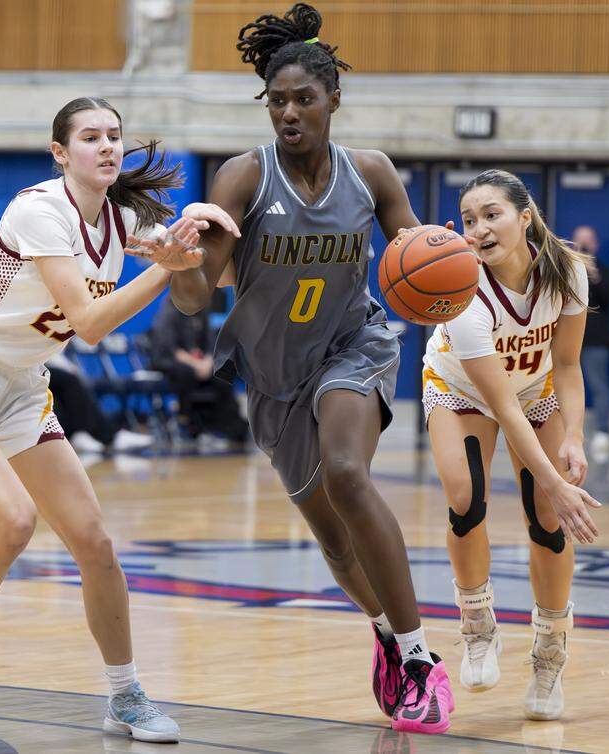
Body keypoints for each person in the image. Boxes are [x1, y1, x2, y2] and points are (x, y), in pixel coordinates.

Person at [162, 3, 454, 734]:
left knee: (348, 472)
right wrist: (179, 265)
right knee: (329, 534)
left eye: (303, 99)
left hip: (353, 345)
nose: (289, 113)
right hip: (272, 375)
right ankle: (387, 633)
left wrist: (449, 264)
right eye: (277, 101)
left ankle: (420, 659)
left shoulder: (373, 173)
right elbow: (198, 300)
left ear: (333, 100)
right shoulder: (241, 179)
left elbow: (416, 262)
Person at [0, 96, 199, 743]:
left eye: (114, 135)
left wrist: (197, 230)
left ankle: (125, 697)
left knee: (94, 542)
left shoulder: (118, 219)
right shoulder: (39, 210)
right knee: (12, 519)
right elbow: (91, 326)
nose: (108, 146)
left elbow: (170, 254)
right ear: (61, 153)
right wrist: (165, 271)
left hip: (19, 385)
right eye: (90, 136)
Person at [421, 170, 601, 720]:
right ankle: (477, 621)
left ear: (526, 217)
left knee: (549, 518)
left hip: (535, 388)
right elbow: (498, 406)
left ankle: (550, 650)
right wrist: (556, 479)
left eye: (491, 214)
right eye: (469, 219)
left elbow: (567, 365)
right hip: (461, 388)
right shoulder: (465, 292)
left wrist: (572, 436)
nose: (478, 228)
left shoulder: (567, 270)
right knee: (464, 499)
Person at [148, 294, 249, 444]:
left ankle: (229, 426)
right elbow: (169, 348)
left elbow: (210, 343)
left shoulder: (201, 310)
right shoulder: (169, 311)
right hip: (170, 362)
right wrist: (195, 364)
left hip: (199, 363)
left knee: (221, 373)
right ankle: (186, 421)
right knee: (186, 373)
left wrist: (208, 362)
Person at [574, 225, 609, 456]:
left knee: (599, 385)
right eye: (580, 243)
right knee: (560, 384)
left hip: (595, 339)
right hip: (569, 337)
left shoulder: (603, 270)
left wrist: (595, 276)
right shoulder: (567, 268)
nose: (584, 247)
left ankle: (603, 431)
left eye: (588, 243)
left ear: (595, 245)